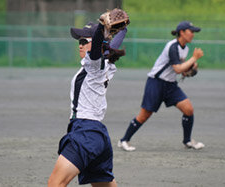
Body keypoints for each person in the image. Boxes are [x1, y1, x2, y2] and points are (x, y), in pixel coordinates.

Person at [48, 9, 129, 187]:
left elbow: (99, 46)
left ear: (96, 44)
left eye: (84, 40)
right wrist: (123, 30)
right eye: (79, 40)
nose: (80, 44)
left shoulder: (94, 65)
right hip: (98, 136)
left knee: (55, 183)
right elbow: (112, 45)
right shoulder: (105, 63)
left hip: (85, 132)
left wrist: (101, 27)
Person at [118, 21, 205, 152]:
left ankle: (187, 141)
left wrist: (189, 70)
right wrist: (193, 59)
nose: (193, 34)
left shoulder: (185, 48)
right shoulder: (173, 46)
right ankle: (124, 140)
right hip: (156, 83)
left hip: (170, 85)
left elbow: (181, 70)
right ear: (182, 32)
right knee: (144, 116)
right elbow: (177, 69)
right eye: (191, 31)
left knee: (188, 109)